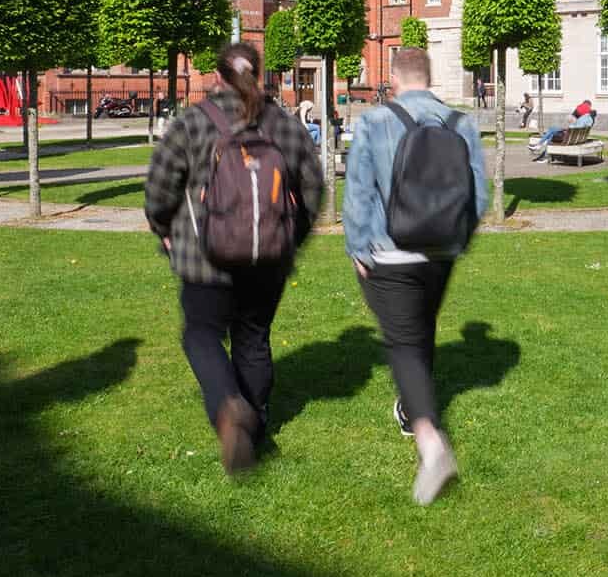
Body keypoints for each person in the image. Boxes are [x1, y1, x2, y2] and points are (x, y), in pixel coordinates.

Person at [145, 42, 323, 475]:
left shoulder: (192, 123)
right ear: (258, 74)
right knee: (253, 338)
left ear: (218, 76)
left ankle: (228, 407)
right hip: (268, 259)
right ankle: (254, 431)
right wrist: (288, 240)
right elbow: (313, 190)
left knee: (202, 335)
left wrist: (164, 229)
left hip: (205, 258)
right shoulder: (283, 123)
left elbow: (159, 190)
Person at [344, 46, 489, 505]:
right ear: (430, 76)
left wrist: (357, 245)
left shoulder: (372, 121)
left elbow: (358, 193)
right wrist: (458, 240)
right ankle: (411, 410)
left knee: (403, 341)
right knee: (420, 327)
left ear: (393, 77)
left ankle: (430, 442)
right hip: (442, 250)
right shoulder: (462, 123)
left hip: (390, 252)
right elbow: (478, 195)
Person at [530, 100, 595, 161]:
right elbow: (576, 128)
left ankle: (540, 147)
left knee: (552, 132)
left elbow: (572, 128)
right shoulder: (589, 120)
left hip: (567, 138)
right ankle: (544, 153)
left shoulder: (583, 119)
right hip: (573, 137)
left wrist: (568, 127)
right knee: (552, 130)